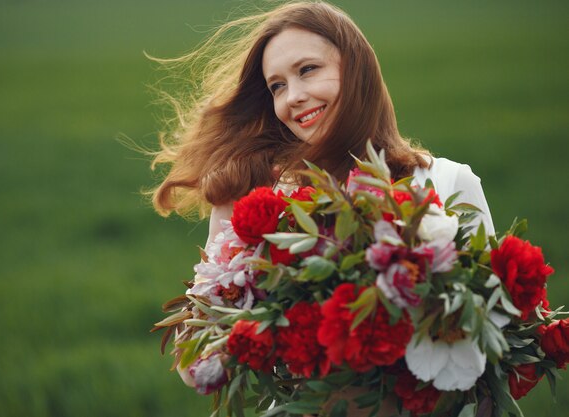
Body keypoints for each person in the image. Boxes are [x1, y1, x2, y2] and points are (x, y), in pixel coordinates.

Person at [147, 1, 494, 415]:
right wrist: (226, 225)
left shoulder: (448, 183)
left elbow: (491, 358)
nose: (293, 97)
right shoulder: (272, 204)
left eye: (307, 70)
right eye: (277, 86)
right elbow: (198, 366)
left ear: (356, 69)